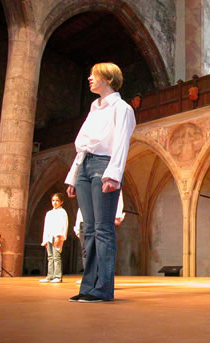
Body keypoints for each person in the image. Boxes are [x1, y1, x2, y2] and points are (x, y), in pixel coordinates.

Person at [65, 62, 135, 303]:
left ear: (108, 79)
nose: (89, 79)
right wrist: (74, 176)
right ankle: (88, 288)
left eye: (94, 75)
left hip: (104, 165)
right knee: (90, 230)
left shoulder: (122, 108)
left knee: (103, 230)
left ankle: (103, 289)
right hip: (84, 166)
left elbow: (121, 144)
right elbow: (82, 145)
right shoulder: (94, 108)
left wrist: (113, 175)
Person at [74, 191, 126, 272]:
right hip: (84, 220)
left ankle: (99, 276)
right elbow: (81, 206)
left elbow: (117, 193)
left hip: (99, 218)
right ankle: (88, 276)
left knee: (99, 249)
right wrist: (77, 228)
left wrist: (117, 215)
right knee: (86, 250)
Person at [40, 193, 68, 283]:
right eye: (53, 200)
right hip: (49, 237)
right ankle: (50, 276)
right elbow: (46, 227)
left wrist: (59, 237)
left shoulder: (62, 212)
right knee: (50, 257)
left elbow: (63, 225)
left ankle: (57, 276)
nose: (55, 202)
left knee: (56, 257)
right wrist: (45, 240)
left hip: (57, 236)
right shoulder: (49, 213)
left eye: (57, 201)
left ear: (61, 202)